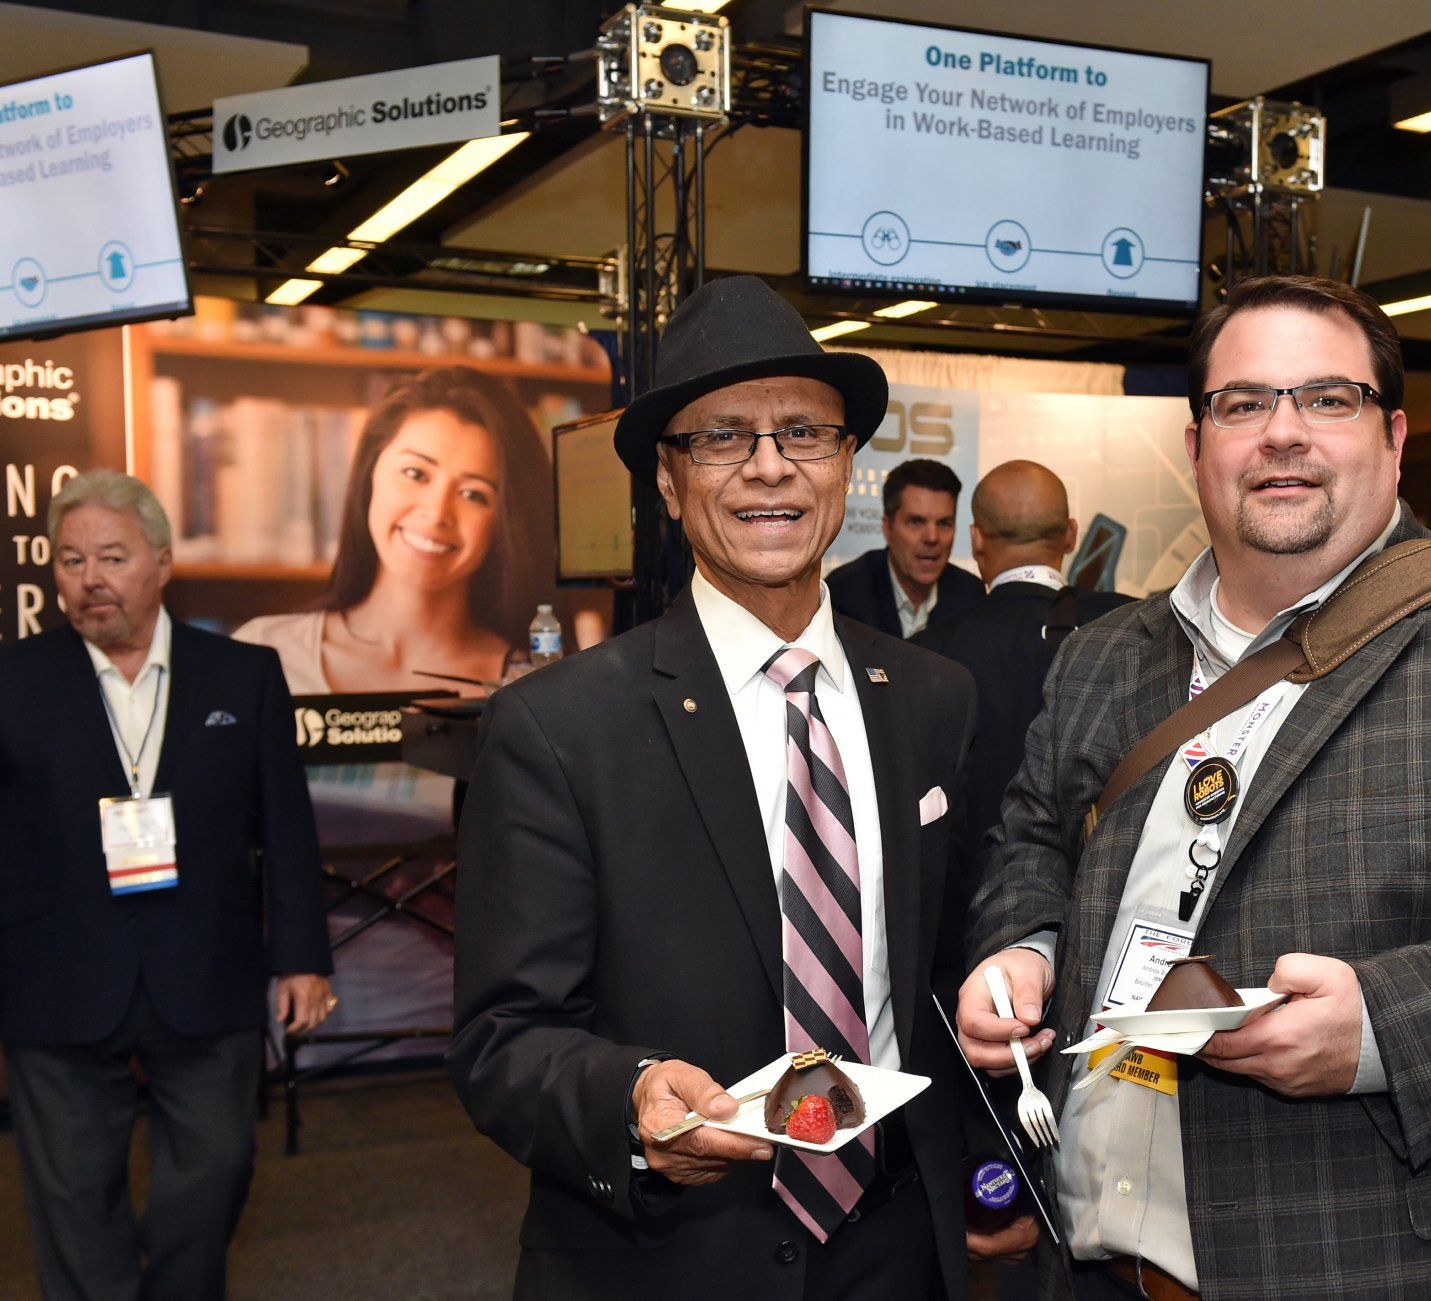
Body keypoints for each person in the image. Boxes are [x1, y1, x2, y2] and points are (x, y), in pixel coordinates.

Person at [955, 274, 1431, 1298]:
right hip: (1090, 1254)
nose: (1282, 432)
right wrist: (1021, 945)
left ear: (1393, 437)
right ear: (1196, 446)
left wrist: (1382, 1026)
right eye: (1244, 402)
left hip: (1389, 1261)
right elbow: (1035, 839)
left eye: (1328, 398)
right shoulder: (1101, 656)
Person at [449, 275, 1017, 1299]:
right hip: (672, 1255)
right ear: (667, 482)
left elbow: (947, 970)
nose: (770, 467)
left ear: (847, 463)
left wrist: (992, 1170)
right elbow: (503, 1039)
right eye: (721, 437)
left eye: (804, 431)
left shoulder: (936, 698)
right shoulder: (561, 725)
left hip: (900, 1243)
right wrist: (628, 1099)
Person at [0, 470, 335, 1300]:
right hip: (55, 975)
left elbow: (286, 827)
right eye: (71, 559)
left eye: (112, 556)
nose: (90, 578)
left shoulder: (242, 675)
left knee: (216, 1171)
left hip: (206, 966)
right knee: (73, 1197)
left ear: (162, 562)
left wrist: (303, 959)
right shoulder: (12, 681)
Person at [236, 364, 555, 694]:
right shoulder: (261, 654)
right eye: (415, 474)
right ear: (369, 472)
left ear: (504, 521)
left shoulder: (532, 686)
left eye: (473, 494)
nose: (436, 513)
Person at [915, 459, 1133, 860]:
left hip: (973, 905)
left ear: (976, 540)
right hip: (1108, 900)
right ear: (1070, 535)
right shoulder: (1138, 630)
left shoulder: (926, 653)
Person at [827, 458, 985, 640]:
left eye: (944, 523)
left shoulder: (970, 594)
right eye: (916, 522)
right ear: (888, 527)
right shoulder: (846, 594)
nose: (932, 538)